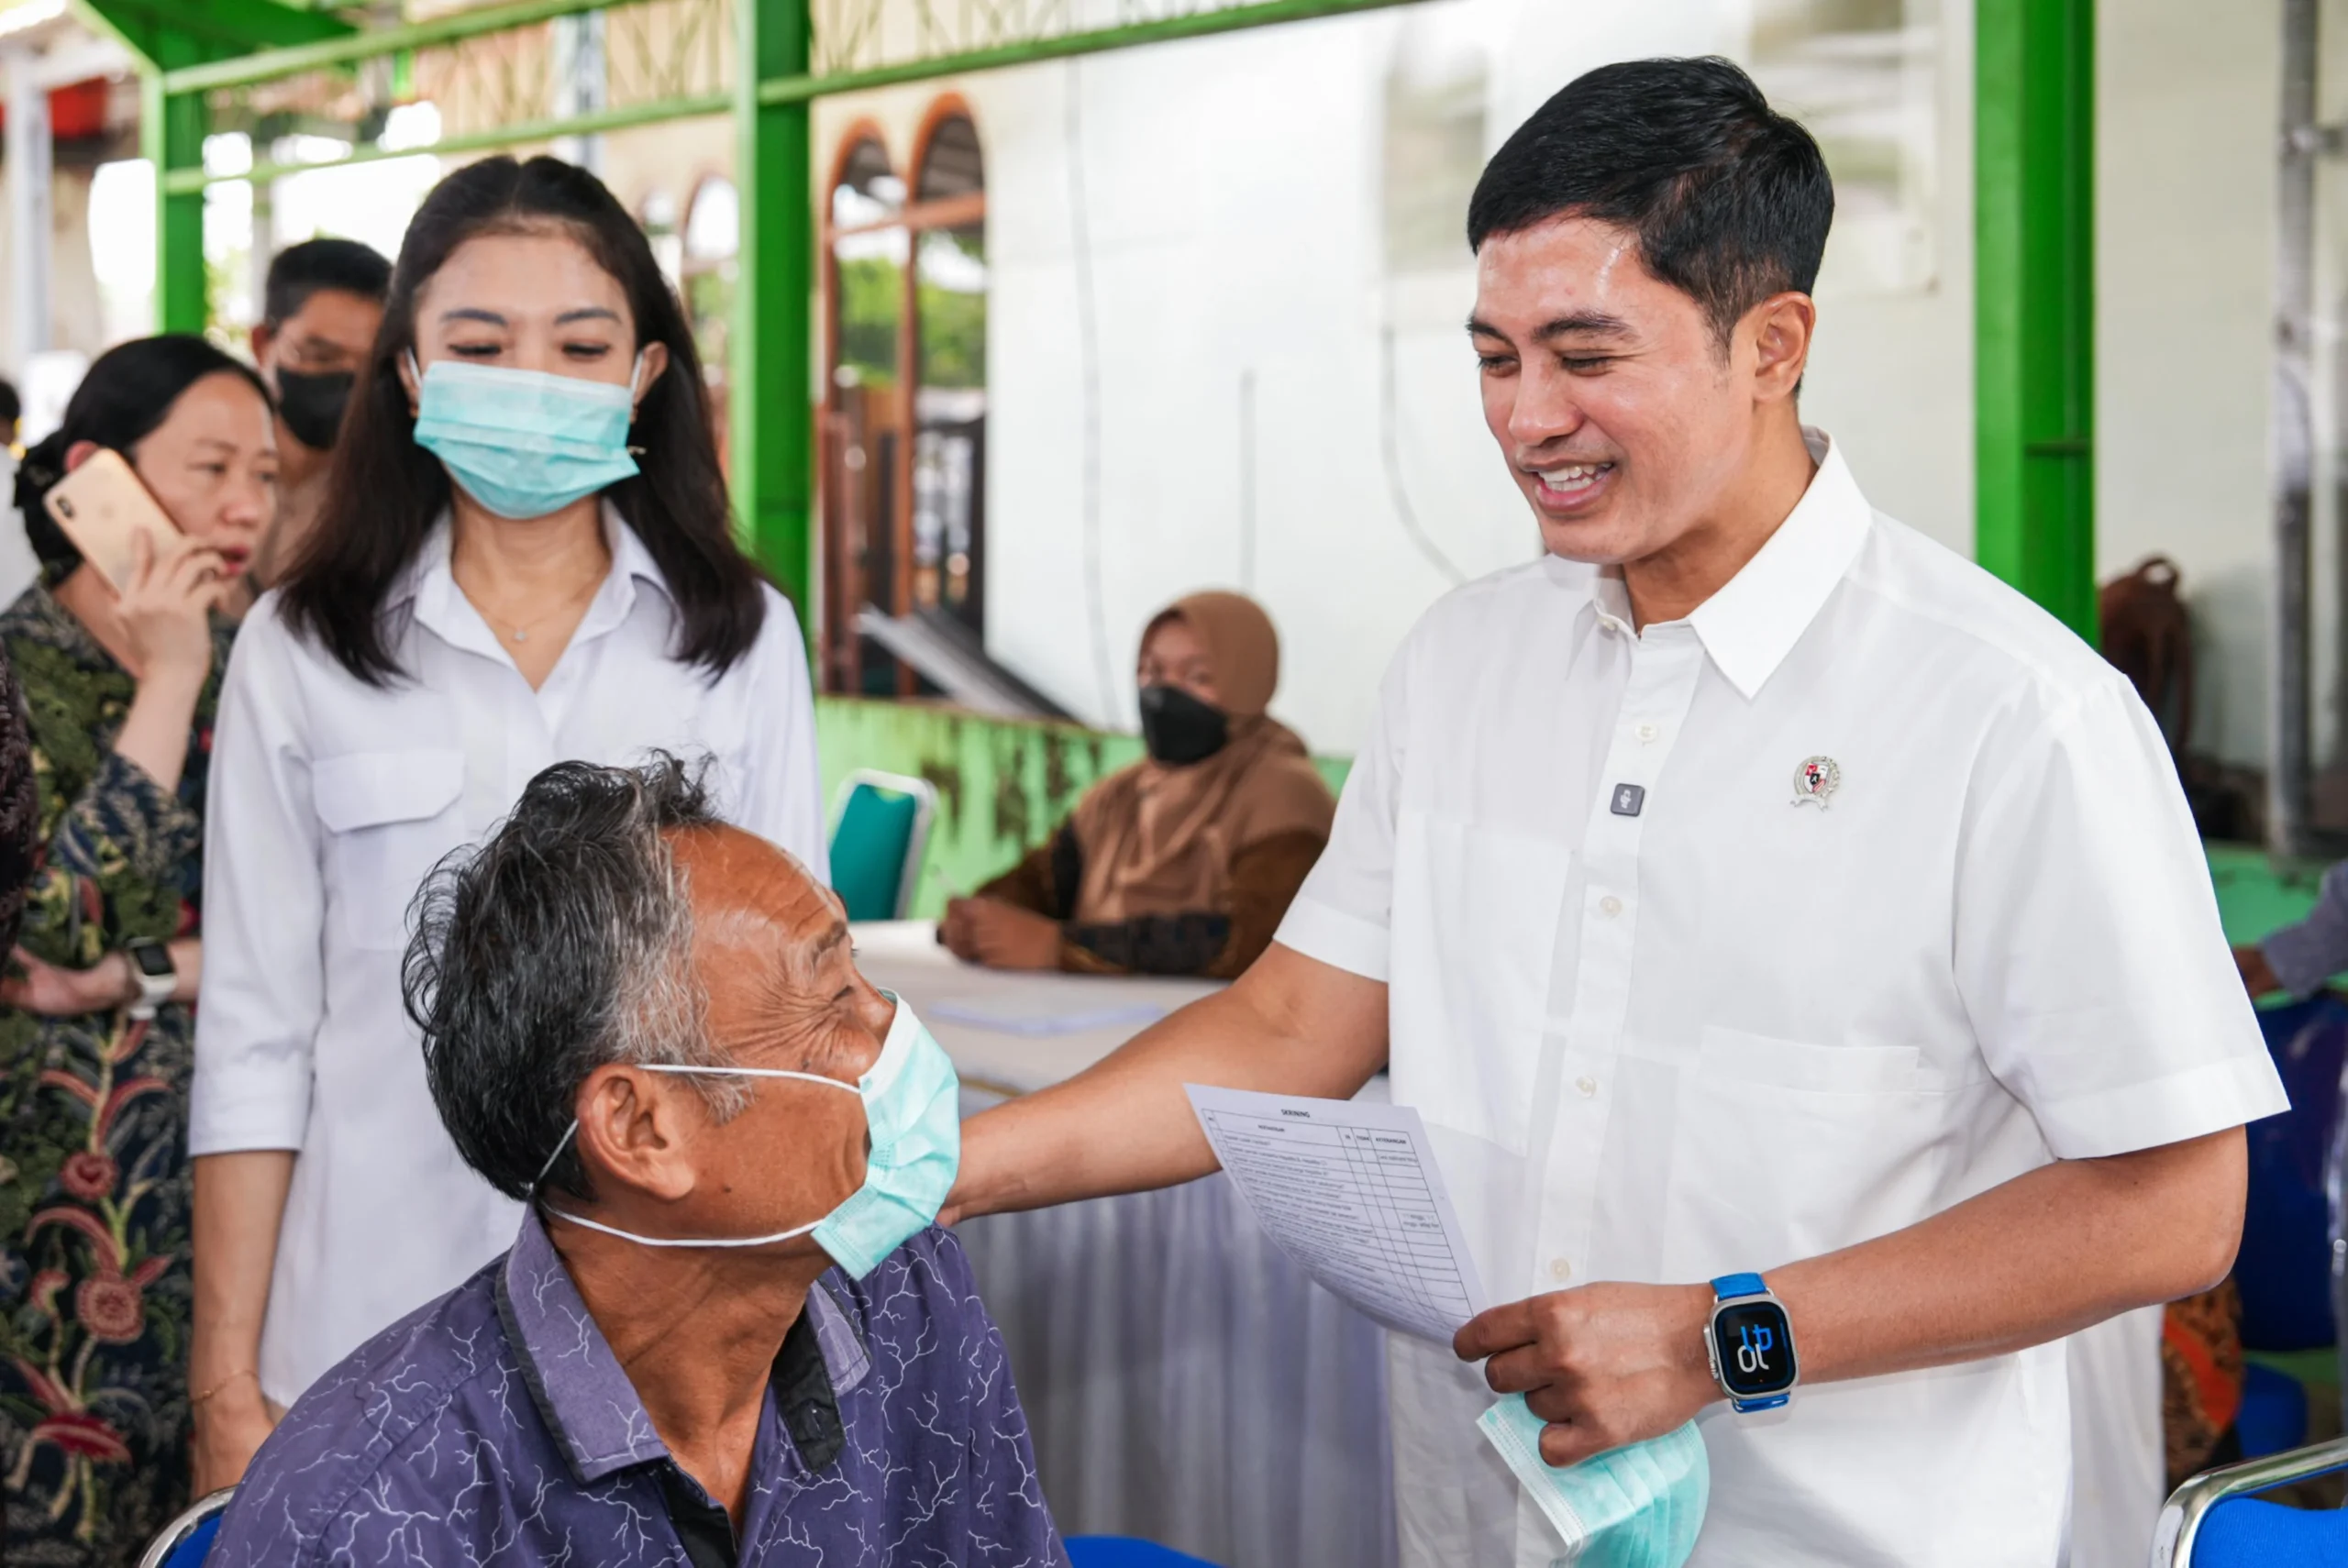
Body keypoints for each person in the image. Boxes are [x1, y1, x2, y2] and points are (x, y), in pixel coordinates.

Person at [946, 58, 2285, 1568]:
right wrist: (933, 1174)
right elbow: (1284, 1035)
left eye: (1585, 353)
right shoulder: (1463, 666)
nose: (1528, 420)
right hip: (1485, 1526)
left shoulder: (2007, 715)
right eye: (1494, 357)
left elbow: (2175, 1208)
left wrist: (1726, 1344)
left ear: (1772, 343)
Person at [189, 155, 828, 1494]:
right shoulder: (302, 649)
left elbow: (792, 1030)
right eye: (481, 342)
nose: (532, 377)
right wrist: (224, 1386)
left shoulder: (738, 642)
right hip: (355, 1327)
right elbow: (254, 1032)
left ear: (647, 370)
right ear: (411, 373)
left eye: (580, 342)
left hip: (666, 1346)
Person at [204, 756, 1064, 1567]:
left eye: (862, 977)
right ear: (642, 1131)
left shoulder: (904, 1295)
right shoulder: (373, 1516)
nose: (889, 1028)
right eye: (834, 997)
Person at [0, 337, 274, 1564]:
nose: (245, 507)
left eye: (265, 474)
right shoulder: (15, 678)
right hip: (42, 1259)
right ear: (95, 482)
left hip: (223, 1232)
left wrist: (134, 976)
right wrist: (165, 679)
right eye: (210, 467)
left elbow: (299, 935)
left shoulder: (262, 679)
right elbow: (43, 940)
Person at [943, 591, 1335, 976]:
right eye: (1151, 671)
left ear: (1248, 681)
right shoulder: (1119, 795)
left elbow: (1251, 942)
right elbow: (1042, 883)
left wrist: (1060, 947)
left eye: (1197, 677)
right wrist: (980, 920)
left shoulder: (1286, 796)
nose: (1164, 693)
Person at [246, 237, 392, 588]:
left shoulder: (390, 494)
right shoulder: (205, 471)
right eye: (321, 356)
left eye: (371, 367)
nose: (349, 384)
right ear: (262, 343)